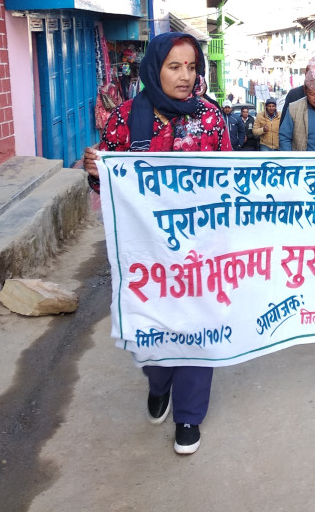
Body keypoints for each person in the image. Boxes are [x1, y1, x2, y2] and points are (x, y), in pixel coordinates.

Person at [82, 32, 232, 455]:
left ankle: (189, 416)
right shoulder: (126, 118)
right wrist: (96, 170)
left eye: (192, 67)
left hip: (200, 250)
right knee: (155, 335)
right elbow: (111, 183)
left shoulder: (210, 118)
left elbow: (231, 178)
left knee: (198, 328)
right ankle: (159, 382)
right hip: (147, 255)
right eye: (174, 66)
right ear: (155, 68)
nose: (186, 76)